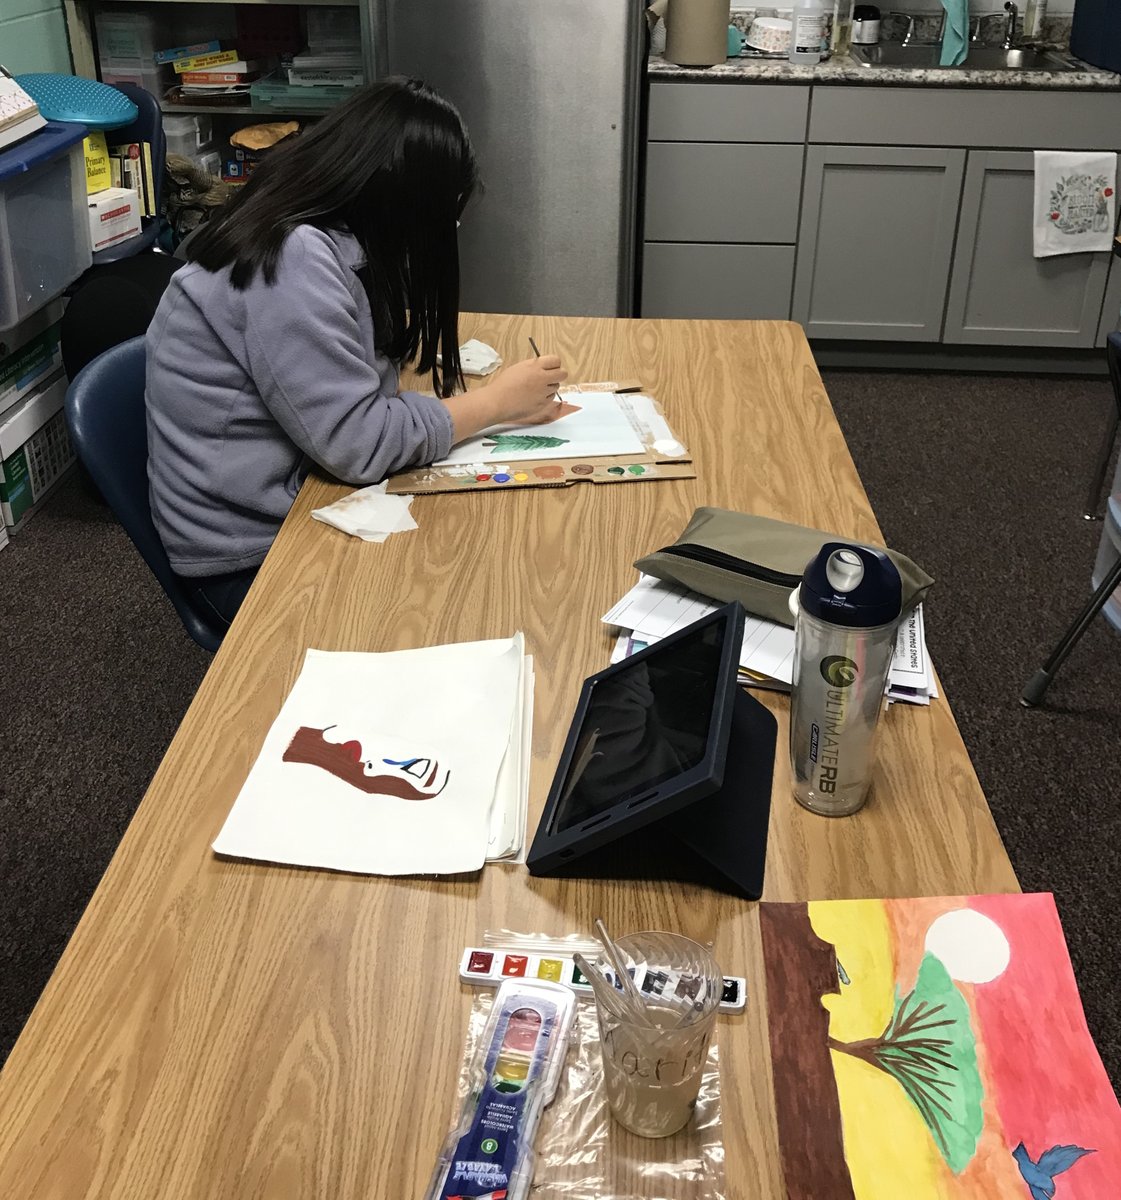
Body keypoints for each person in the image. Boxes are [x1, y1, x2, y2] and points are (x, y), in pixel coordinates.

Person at [145, 77, 568, 629]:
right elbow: (357, 444)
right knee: (472, 597)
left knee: (484, 556)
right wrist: (499, 403)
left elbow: (350, 377)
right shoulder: (290, 257)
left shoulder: (312, 226)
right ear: (399, 202)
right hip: (247, 553)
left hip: (291, 495)